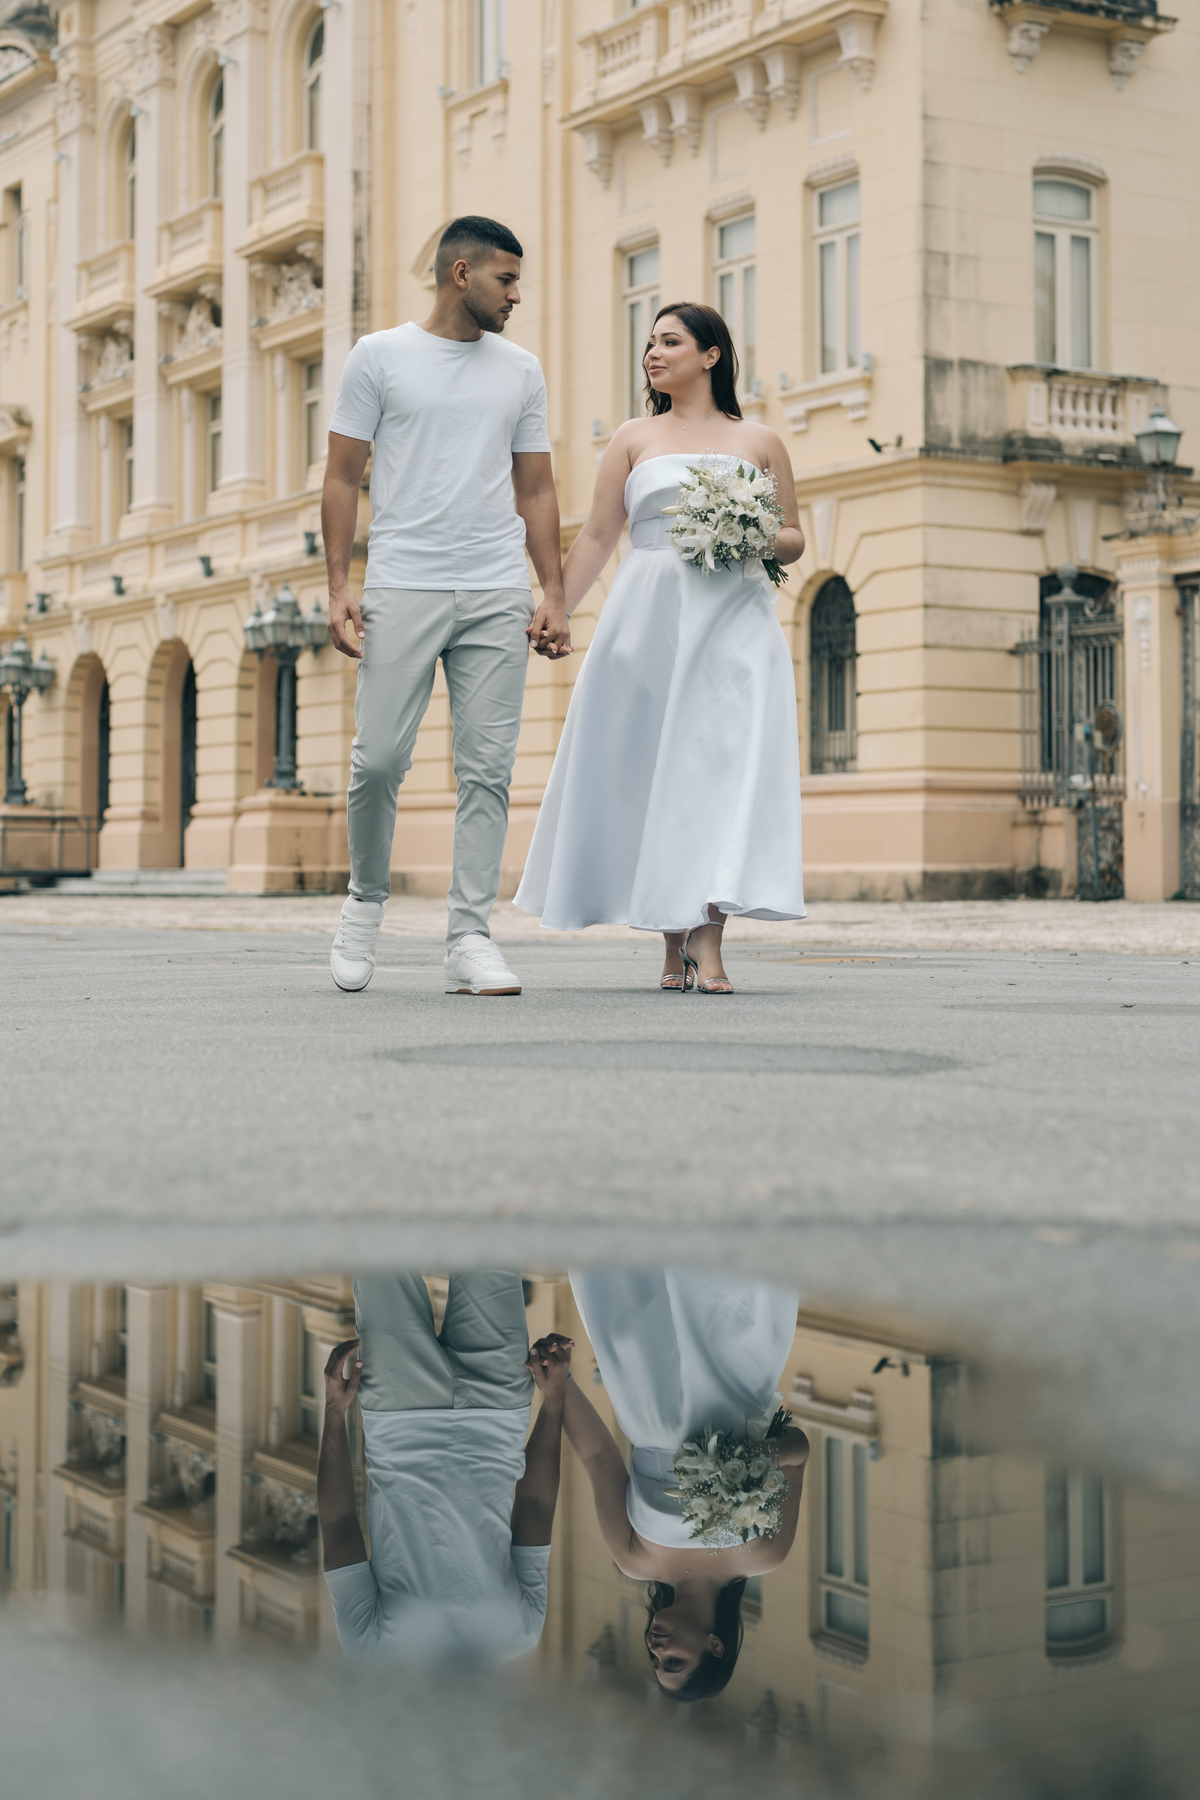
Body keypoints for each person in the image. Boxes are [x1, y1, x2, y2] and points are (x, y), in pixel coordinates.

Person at [514, 303, 806, 994]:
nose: (652, 352)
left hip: (732, 620)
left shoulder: (760, 440)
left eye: (669, 341)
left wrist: (747, 526)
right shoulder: (632, 437)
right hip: (647, 620)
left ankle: (710, 938)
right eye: (648, 342)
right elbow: (596, 538)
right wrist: (555, 605)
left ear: (710, 355)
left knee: (717, 771)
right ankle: (671, 941)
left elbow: (793, 537)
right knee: (654, 771)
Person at [321, 215, 571, 998]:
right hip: (404, 581)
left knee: (487, 771)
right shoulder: (380, 357)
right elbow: (340, 476)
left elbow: (535, 487)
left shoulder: (520, 369)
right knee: (381, 760)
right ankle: (364, 904)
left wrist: (553, 592)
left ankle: (470, 937)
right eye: (506, 279)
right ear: (461, 274)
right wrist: (338, 586)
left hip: (495, 587)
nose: (516, 295)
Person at [538, 1268, 809, 1702]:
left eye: (655, 1662)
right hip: (732, 1371)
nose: (655, 1649)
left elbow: (597, 1459)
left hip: (643, 1382)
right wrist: (757, 1460)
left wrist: (559, 1388)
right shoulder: (765, 1554)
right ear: (714, 1645)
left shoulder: (634, 1559)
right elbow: (798, 1452)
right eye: (674, 1661)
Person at [318, 1271, 567, 1664]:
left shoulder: (372, 1654)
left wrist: (335, 1413)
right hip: (499, 1410)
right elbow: (536, 1503)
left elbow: (337, 1521)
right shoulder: (521, 1634)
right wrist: (554, 1405)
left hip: (399, 1414)